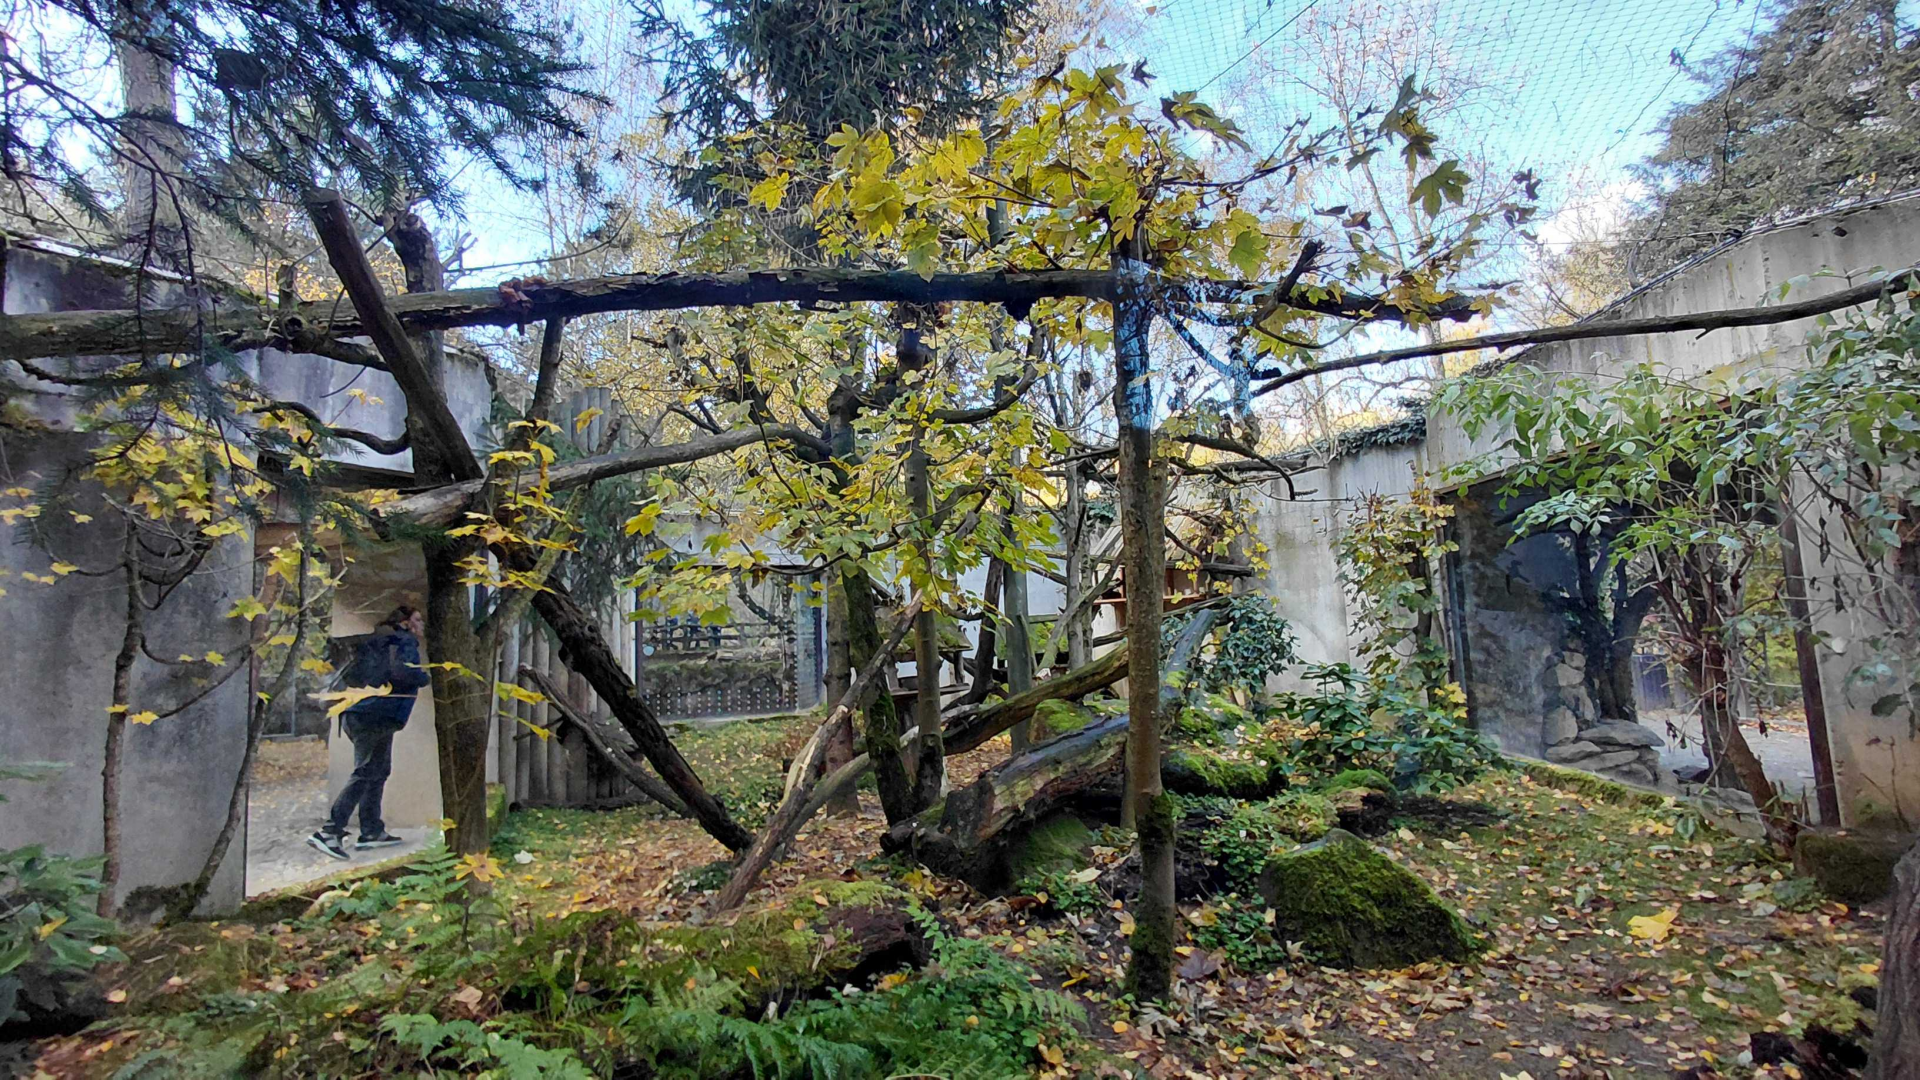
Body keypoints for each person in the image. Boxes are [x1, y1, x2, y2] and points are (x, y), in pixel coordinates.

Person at [307, 606, 431, 860]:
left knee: (378, 770)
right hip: (374, 715)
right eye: (417, 620)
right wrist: (425, 677)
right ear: (405, 622)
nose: (422, 625)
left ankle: (371, 831)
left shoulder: (380, 641)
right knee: (366, 771)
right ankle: (329, 832)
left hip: (365, 714)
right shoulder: (403, 640)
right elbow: (403, 671)